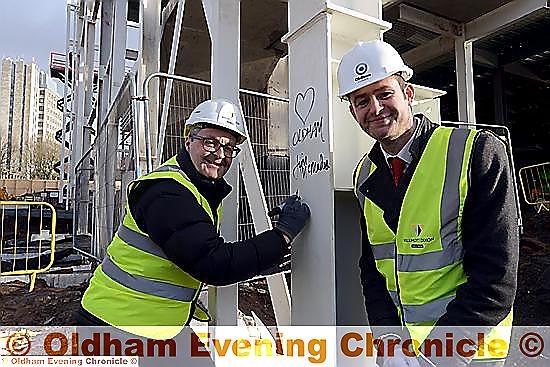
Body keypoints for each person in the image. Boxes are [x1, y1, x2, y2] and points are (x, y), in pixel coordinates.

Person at [337, 40, 518, 366]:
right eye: (361, 101)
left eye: (384, 93)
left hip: (469, 354)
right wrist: (388, 338)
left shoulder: (475, 153)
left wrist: (434, 357)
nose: (375, 108)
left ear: (408, 94)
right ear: (353, 112)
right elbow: (373, 270)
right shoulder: (364, 176)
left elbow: (496, 279)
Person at [77, 98, 310, 338]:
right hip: (115, 326)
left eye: (229, 147)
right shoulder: (167, 193)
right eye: (210, 142)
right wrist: (281, 236)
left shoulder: (197, 188)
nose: (220, 155)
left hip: (152, 323)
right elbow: (214, 263)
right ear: (188, 141)